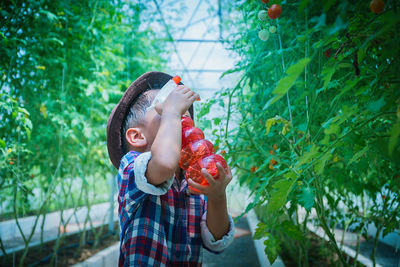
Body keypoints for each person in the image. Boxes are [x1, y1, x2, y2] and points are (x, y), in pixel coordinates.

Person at [106, 71, 235, 266]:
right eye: (164, 111)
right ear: (137, 137)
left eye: (184, 116)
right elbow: (165, 163)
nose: (179, 118)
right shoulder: (132, 167)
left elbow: (216, 241)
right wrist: (172, 112)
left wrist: (217, 197)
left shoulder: (192, 181)